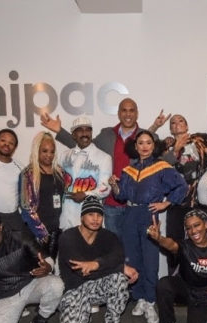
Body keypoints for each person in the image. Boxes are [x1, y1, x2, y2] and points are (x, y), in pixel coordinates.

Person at [41, 98, 168, 235]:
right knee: (115, 247)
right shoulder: (107, 134)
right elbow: (85, 145)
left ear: (137, 113)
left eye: (131, 111)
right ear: (118, 113)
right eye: (124, 110)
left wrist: (175, 149)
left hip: (136, 205)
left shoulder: (144, 138)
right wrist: (59, 130)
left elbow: (159, 162)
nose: (128, 114)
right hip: (111, 205)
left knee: (135, 249)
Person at [108, 130, 188, 323]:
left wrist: (166, 203)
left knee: (150, 258)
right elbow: (120, 196)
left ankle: (151, 301)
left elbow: (182, 186)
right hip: (130, 214)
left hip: (148, 215)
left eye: (148, 143)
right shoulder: (128, 170)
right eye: (141, 143)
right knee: (132, 257)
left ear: (154, 146)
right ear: (136, 146)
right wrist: (115, 186)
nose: (144, 146)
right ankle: (140, 298)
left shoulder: (161, 166)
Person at [57, 197, 138, 323]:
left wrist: (96, 264)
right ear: (82, 217)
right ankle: (81, 311)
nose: (95, 219)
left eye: (99, 215)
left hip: (98, 287)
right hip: (75, 289)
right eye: (90, 215)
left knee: (119, 279)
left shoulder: (109, 237)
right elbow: (82, 272)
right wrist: (118, 267)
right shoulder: (68, 237)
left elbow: (118, 256)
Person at [148, 209, 207, 323]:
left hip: (206, 295)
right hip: (186, 290)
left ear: (206, 224)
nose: (193, 231)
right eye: (189, 228)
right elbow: (172, 245)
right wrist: (159, 238)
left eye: (197, 225)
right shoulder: (185, 246)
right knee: (164, 284)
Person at [160, 114, 207, 270]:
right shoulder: (166, 147)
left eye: (181, 121)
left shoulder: (199, 141)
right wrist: (176, 149)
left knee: (199, 242)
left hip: (197, 201)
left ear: (187, 126)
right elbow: (161, 168)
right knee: (174, 243)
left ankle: (198, 277)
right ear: (170, 129)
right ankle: (174, 278)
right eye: (173, 122)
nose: (177, 124)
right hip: (175, 202)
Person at [56, 117, 113, 229]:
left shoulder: (104, 157)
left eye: (88, 130)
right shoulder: (64, 156)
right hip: (65, 217)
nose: (85, 133)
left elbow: (106, 188)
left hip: (89, 218)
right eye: (80, 130)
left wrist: (86, 194)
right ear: (73, 135)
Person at [20, 131, 65, 258]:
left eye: (52, 151)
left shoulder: (60, 172)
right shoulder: (28, 174)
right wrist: (41, 231)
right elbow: (26, 207)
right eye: (44, 151)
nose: (49, 155)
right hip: (35, 232)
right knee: (36, 270)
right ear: (36, 150)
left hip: (56, 230)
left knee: (51, 269)